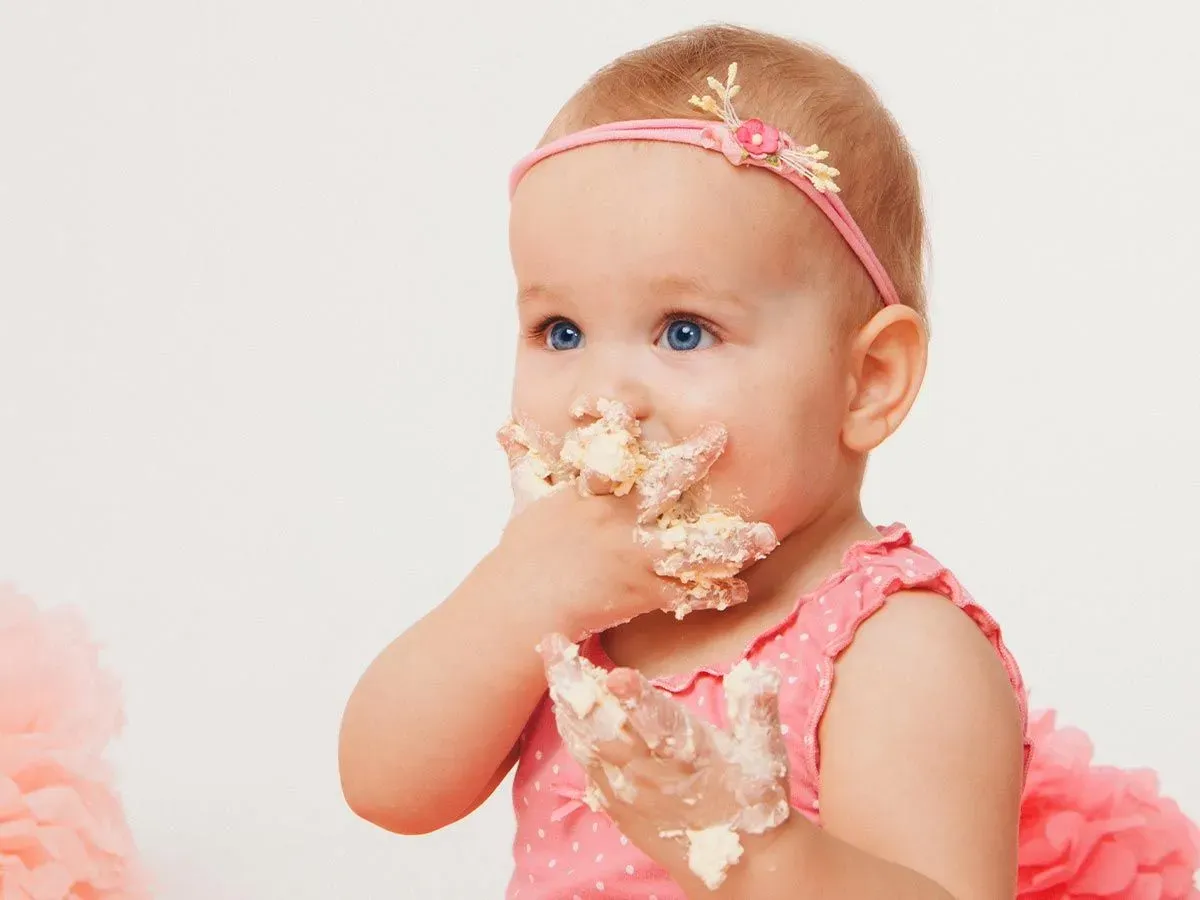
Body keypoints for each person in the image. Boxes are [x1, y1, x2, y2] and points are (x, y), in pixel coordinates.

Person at [339, 23, 1199, 899]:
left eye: (685, 331)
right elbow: (387, 789)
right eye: (560, 332)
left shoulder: (893, 650)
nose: (605, 395)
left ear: (866, 381)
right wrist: (518, 592)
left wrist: (759, 852)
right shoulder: (569, 607)